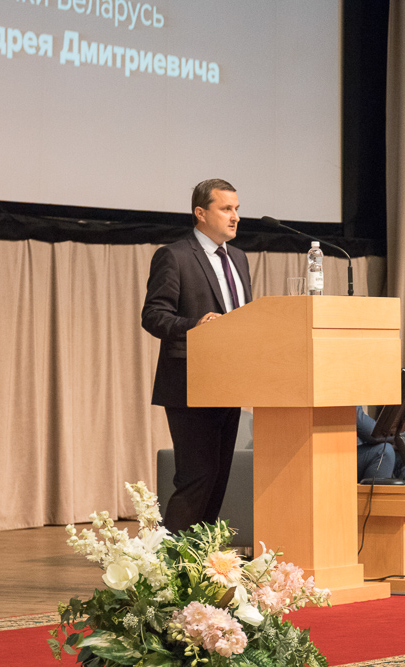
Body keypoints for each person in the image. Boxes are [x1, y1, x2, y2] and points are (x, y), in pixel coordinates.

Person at [142, 178, 251, 534]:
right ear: (200, 213)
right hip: (190, 383)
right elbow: (153, 315)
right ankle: (168, 559)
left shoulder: (238, 258)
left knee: (218, 478)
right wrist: (196, 325)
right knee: (196, 477)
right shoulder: (174, 256)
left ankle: (200, 558)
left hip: (230, 382)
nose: (235, 217)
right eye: (226, 209)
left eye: (237, 209)